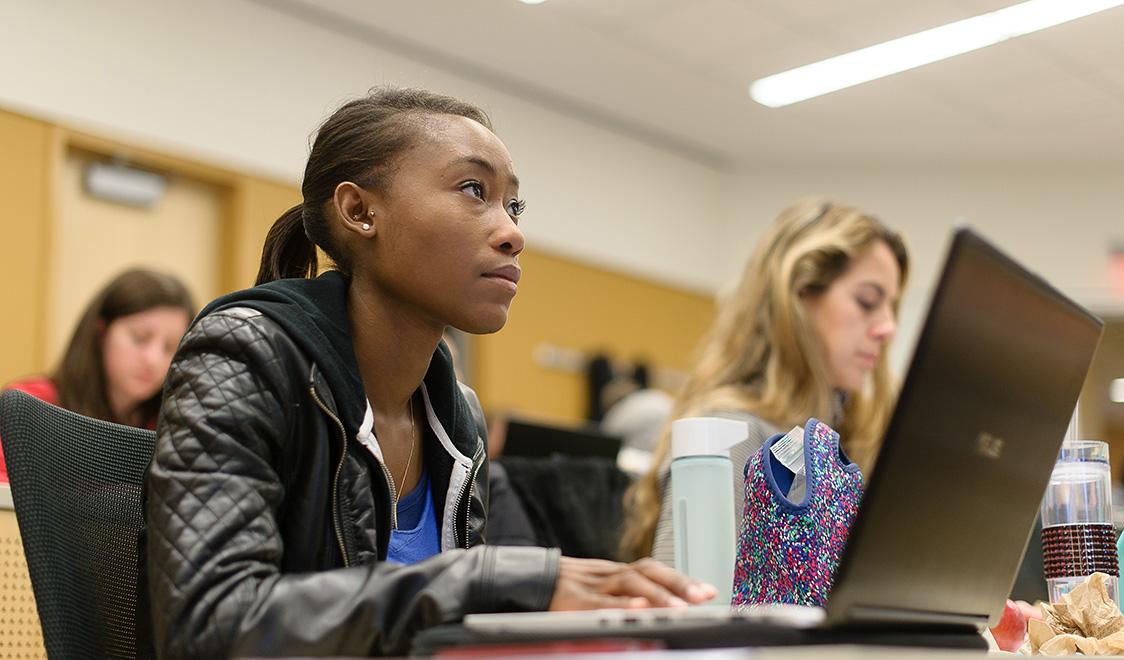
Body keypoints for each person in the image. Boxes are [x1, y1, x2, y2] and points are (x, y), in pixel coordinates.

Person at [144, 87, 713, 659]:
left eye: (513, 206)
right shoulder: (244, 354)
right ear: (361, 211)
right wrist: (489, 581)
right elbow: (208, 627)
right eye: (474, 190)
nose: (513, 232)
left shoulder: (454, 410)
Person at [620, 199, 909, 564]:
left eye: (892, 307)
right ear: (798, 296)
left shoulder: (851, 440)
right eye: (868, 302)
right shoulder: (729, 433)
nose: (888, 328)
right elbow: (693, 604)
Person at [0, 268, 193, 482]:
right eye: (140, 338)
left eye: (170, 347)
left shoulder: (173, 423)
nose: (153, 359)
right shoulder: (31, 405)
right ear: (100, 332)